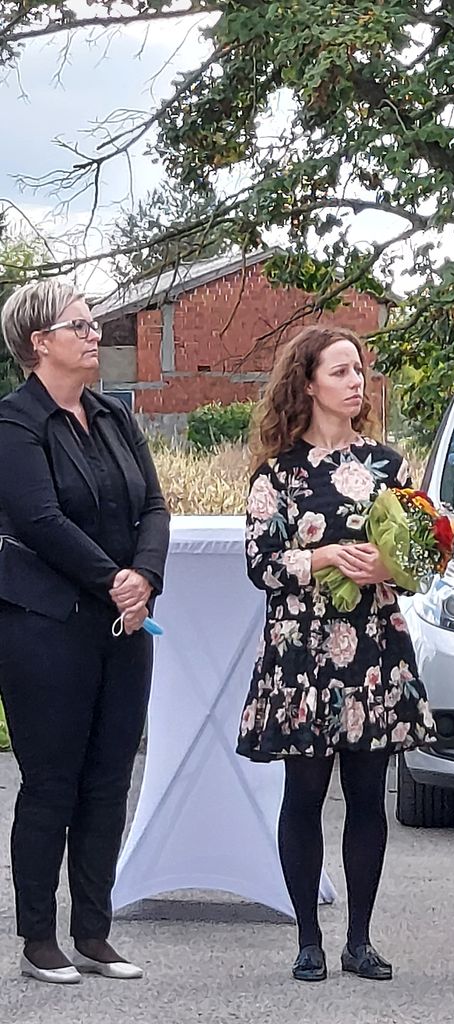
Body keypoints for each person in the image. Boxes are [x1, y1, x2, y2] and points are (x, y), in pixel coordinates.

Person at [236, 325, 436, 983]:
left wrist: (389, 565)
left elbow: (424, 557)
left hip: (373, 649)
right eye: (341, 371)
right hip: (302, 652)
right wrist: (322, 556)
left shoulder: (389, 465)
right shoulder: (276, 474)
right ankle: (307, 938)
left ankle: (359, 939)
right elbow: (261, 565)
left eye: (359, 370)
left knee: (368, 796)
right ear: (308, 383)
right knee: (304, 793)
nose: (356, 382)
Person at [0, 280, 170, 984]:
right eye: (80, 325)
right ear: (40, 341)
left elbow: (154, 506)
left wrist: (145, 577)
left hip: (123, 624)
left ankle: (94, 932)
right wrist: (113, 578)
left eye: (93, 324)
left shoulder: (113, 414)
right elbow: (41, 519)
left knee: (109, 778)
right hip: (45, 626)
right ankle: (39, 938)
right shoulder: (15, 423)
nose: (95, 334)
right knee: (52, 782)